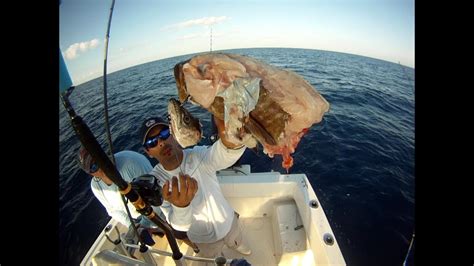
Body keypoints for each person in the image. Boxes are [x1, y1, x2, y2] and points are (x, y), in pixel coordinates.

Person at [140, 115, 252, 262]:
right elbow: (178, 225)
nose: (161, 142)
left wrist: (231, 140)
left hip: (228, 222)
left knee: (237, 240)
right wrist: (181, 206)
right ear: (148, 152)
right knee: (212, 260)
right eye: (152, 142)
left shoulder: (198, 154)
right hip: (202, 239)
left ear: (173, 133)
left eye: (164, 134)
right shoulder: (157, 181)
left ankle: (237, 244)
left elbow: (223, 155)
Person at [78, 147, 160, 230]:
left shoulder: (132, 163)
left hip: (160, 216)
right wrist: (132, 225)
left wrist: (144, 226)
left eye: (100, 158)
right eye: (94, 167)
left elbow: (157, 198)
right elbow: (112, 210)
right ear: (91, 174)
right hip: (138, 221)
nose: (101, 166)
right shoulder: (96, 186)